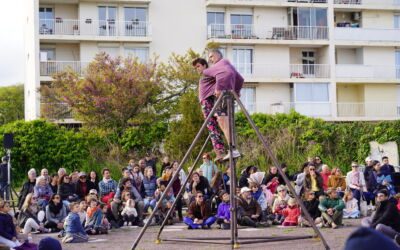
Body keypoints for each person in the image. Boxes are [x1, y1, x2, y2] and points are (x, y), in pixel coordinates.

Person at [203, 49, 244, 161]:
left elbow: (221, 75)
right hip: (230, 96)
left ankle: (233, 149)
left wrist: (218, 88)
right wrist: (237, 91)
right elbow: (240, 79)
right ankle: (233, 149)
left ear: (218, 55)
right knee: (226, 122)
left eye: (211, 56)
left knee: (222, 121)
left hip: (222, 96)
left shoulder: (217, 66)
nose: (210, 59)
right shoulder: (229, 65)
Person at [193, 57, 226, 161]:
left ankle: (219, 151)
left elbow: (220, 75)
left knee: (212, 127)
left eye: (198, 66)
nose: (197, 69)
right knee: (213, 127)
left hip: (207, 102)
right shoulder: (205, 74)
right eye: (195, 67)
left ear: (204, 65)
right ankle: (219, 150)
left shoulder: (207, 72)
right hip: (206, 102)